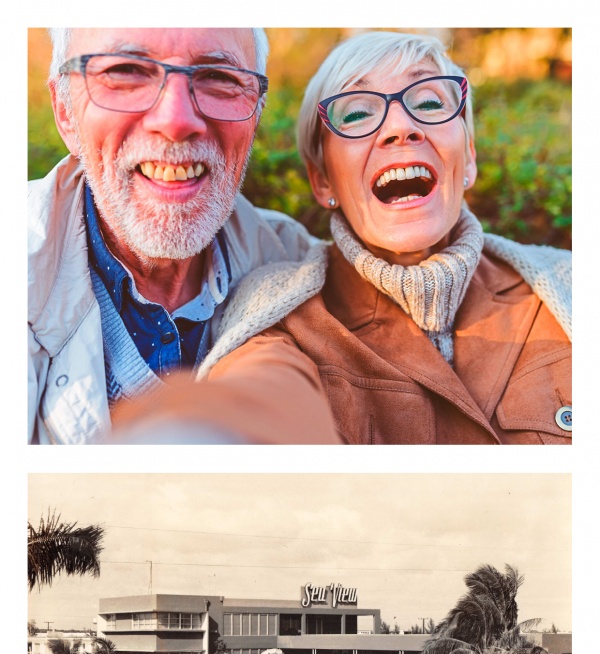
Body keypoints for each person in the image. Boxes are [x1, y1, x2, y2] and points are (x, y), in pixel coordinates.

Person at [197, 30, 571, 444]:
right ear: (322, 181)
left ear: (469, 158)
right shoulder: (278, 317)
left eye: (429, 103)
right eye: (356, 114)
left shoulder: (569, 287)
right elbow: (258, 401)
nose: (401, 127)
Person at [28, 27, 339, 444]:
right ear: (65, 111)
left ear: (256, 113)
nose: (175, 121)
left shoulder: (300, 266)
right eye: (126, 72)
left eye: (219, 78)